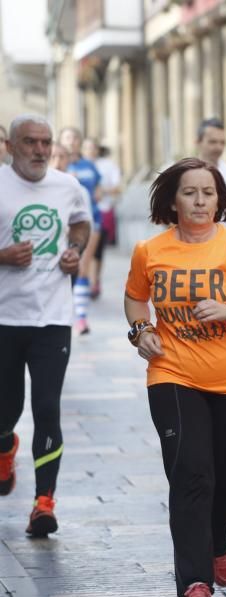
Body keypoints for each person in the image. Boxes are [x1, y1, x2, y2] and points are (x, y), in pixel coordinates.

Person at [124, 158, 226, 597]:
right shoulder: (150, 251)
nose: (199, 201)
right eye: (189, 193)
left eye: (207, 193)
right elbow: (135, 297)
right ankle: (194, 585)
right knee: (191, 476)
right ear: (173, 200)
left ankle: (219, 542)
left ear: (220, 200)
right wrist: (140, 330)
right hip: (173, 374)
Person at [0, 114, 92, 536]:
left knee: (47, 408)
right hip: (4, 317)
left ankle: (44, 502)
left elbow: (81, 223)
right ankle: (5, 445)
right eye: (30, 142)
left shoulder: (67, 186)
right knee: (6, 409)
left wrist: (74, 250)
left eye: (45, 142)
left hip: (52, 317)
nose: (39, 150)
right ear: (12, 145)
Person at [60, 127, 101, 334]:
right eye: (67, 137)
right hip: (62, 223)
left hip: (89, 219)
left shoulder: (88, 166)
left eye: (75, 137)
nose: (72, 141)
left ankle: (82, 318)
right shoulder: (57, 163)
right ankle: (65, 313)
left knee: (83, 266)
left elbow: (98, 190)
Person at [82, 139, 122, 298]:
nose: (90, 151)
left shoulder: (107, 165)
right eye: (86, 148)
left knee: (98, 250)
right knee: (85, 248)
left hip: (103, 210)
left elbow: (118, 187)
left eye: (92, 147)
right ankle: (87, 281)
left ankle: (94, 279)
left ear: (98, 150)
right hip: (83, 213)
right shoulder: (77, 165)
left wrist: (101, 191)